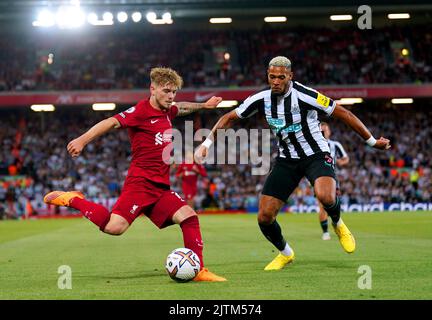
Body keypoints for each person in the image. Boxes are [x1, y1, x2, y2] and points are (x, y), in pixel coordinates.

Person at [195, 56, 391, 271]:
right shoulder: (261, 98)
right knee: (264, 217)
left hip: (316, 153)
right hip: (287, 159)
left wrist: (372, 141)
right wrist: (207, 143)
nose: (276, 81)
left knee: (325, 196)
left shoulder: (306, 95)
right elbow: (230, 117)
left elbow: (343, 113)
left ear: (290, 76)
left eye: (281, 77)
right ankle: (286, 253)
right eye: (272, 77)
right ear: (267, 76)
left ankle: (337, 222)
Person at [44, 67, 226, 282]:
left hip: (160, 188)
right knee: (114, 227)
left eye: (174, 92)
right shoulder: (140, 111)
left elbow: (182, 107)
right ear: (153, 89)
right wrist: (83, 140)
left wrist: (204, 106)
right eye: (166, 91)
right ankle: (74, 200)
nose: (171, 96)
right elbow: (110, 122)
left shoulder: (167, 109)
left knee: (189, 218)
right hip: (140, 184)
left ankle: (199, 270)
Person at [318, 122, 350, 241]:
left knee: (333, 202)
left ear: (329, 132)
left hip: (333, 177)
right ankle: (325, 232)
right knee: (322, 205)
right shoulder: (314, 145)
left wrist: (340, 162)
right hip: (318, 177)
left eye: (325, 130)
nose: (323, 132)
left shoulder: (335, 145)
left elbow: (345, 158)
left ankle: (336, 223)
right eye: (321, 130)